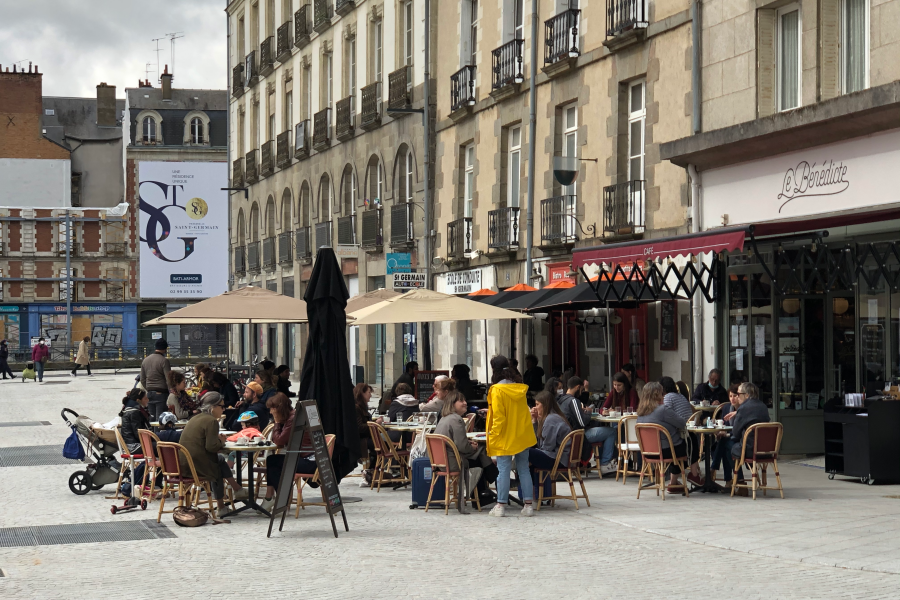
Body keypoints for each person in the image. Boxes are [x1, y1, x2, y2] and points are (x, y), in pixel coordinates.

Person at [179, 391, 249, 513]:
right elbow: (212, 447)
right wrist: (221, 441)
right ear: (212, 408)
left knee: (218, 460)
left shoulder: (195, 418)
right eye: (222, 406)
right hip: (195, 466)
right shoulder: (211, 421)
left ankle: (232, 495)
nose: (224, 410)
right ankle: (231, 496)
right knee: (218, 463)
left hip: (183, 464)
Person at [485, 355, 536, 517]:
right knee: (523, 469)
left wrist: (493, 434)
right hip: (522, 433)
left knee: (503, 470)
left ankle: (500, 505)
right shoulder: (519, 389)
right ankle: (528, 505)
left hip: (504, 435)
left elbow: (499, 417)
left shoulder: (496, 391)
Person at [435, 390, 498, 509]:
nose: (465, 403)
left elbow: (453, 441)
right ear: (452, 404)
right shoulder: (457, 420)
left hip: (441, 462)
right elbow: (462, 447)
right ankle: (493, 481)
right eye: (461, 401)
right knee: (481, 451)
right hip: (453, 462)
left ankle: (483, 493)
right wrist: (472, 447)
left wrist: (469, 444)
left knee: (479, 457)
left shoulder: (444, 418)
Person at [259, 393, 320, 513]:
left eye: (272, 409)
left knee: (273, 461)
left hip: (310, 462)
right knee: (273, 461)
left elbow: (279, 440)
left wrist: (276, 422)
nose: (271, 412)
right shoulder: (291, 417)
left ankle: (278, 499)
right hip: (306, 458)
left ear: (279, 409)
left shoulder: (293, 419)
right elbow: (280, 442)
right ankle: (273, 498)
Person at [636, 382, 695, 491]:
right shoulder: (663, 410)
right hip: (666, 451)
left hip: (647, 453)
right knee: (691, 442)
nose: (663, 395)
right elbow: (682, 423)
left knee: (676, 444)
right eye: (662, 393)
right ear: (657, 394)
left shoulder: (640, 413)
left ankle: (676, 482)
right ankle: (692, 474)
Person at [558, 376, 617, 475]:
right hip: (579, 435)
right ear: (577, 387)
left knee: (603, 432)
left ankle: (605, 461)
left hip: (568, 435)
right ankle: (605, 464)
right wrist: (588, 412)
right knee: (611, 431)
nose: (581, 393)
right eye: (581, 390)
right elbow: (582, 422)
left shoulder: (561, 400)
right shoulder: (573, 401)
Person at [723, 381, 770, 492]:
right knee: (726, 442)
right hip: (766, 449)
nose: (737, 397)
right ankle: (735, 481)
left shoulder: (744, 408)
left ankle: (738, 481)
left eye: (738, 394)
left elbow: (735, 433)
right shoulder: (763, 406)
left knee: (726, 444)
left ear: (747, 395)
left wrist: (729, 435)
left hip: (750, 449)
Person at [529, 390, 572, 499]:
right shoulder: (553, 417)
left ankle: (529, 492)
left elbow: (546, 447)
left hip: (558, 459)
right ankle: (534, 493)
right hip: (560, 456)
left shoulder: (551, 419)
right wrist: (535, 420)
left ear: (545, 405)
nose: (535, 407)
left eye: (537, 404)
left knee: (524, 452)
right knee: (528, 456)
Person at [660, 376, 702, 484]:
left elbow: (666, 414)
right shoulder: (681, 396)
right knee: (690, 444)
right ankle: (693, 475)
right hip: (688, 431)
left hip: (679, 432)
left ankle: (674, 482)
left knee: (679, 448)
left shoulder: (667, 398)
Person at [133, 411, 182, 492]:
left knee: (161, 457)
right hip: (176, 463)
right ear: (171, 424)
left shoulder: (156, 436)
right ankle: (158, 484)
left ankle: (155, 484)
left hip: (157, 462)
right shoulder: (179, 435)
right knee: (163, 458)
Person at [710, 383, 741, 482]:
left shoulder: (744, 410)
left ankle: (713, 469)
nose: (732, 399)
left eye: (735, 396)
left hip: (740, 440)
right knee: (725, 447)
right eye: (730, 396)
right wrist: (720, 432)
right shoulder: (727, 408)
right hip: (729, 439)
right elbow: (724, 426)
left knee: (725, 444)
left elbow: (741, 431)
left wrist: (727, 434)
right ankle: (735, 481)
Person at [141, 339, 172, 421]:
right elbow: (168, 379)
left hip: (150, 393)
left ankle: (151, 433)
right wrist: (171, 391)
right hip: (161, 393)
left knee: (152, 419)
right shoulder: (164, 361)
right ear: (165, 349)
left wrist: (148, 388)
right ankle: (158, 434)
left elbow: (142, 379)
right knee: (160, 420)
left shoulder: (145, 360)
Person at [354, 383, 381, 475]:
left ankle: (372, 470)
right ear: (362, 393)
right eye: (369, 392)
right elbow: (359, 427)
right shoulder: (357, 408)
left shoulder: (362, 407)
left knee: (382, 442)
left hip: (366, 437)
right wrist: (374, 424)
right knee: (381, 445)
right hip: (361, 440)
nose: (370, 395)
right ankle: (371, 471)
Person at [119, 389, 150, 454]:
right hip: (134, 446)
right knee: (161, 446)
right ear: (138, 401)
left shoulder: (129, 409)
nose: (148, 400)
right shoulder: (134, 412)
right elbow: (138, 433)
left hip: (131, 444)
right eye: (145, 398)